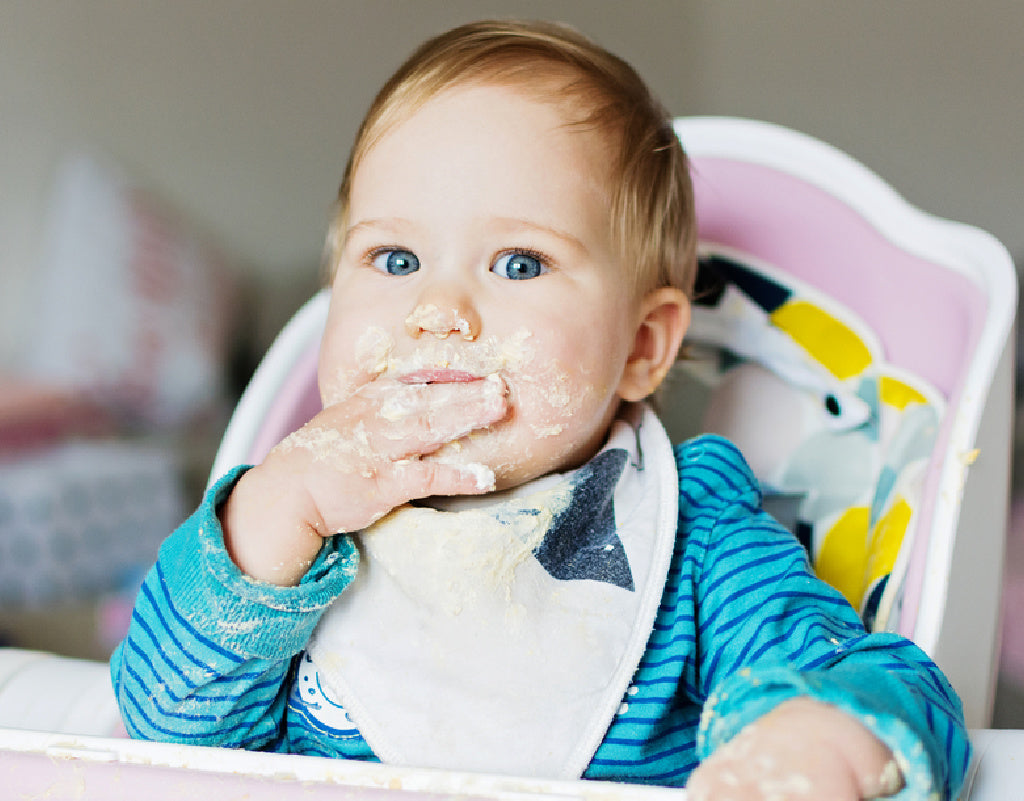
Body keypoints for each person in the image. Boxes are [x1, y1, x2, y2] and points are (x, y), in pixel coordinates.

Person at [111, 19, 970, 799]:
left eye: (519, 263)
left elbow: (862, 674)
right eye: (396, 257)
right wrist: (273, 511)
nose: (438, 310)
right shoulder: (295, 531)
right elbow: (161, 730)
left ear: (641, 346)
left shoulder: (690, 536)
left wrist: (818, 741)